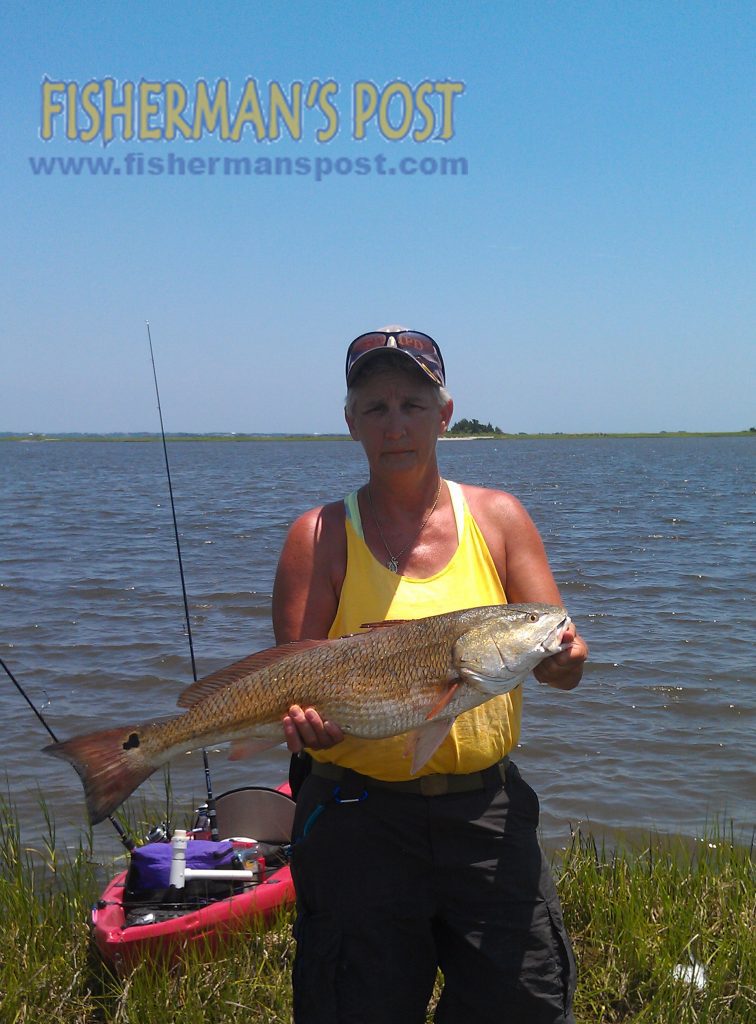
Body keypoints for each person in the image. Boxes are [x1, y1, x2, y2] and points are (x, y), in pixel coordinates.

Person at [272, 327, 588, 1024]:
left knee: (523, 1004)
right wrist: (309, 732)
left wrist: (565, 659)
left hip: (488, 813)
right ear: (351, 422)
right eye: (376, 407)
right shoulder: (318, 537)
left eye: (413, 404)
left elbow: (559, 652)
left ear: (444, 414)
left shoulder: (500, 519)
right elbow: (292, 689)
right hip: (357, 819)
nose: (396, 426)